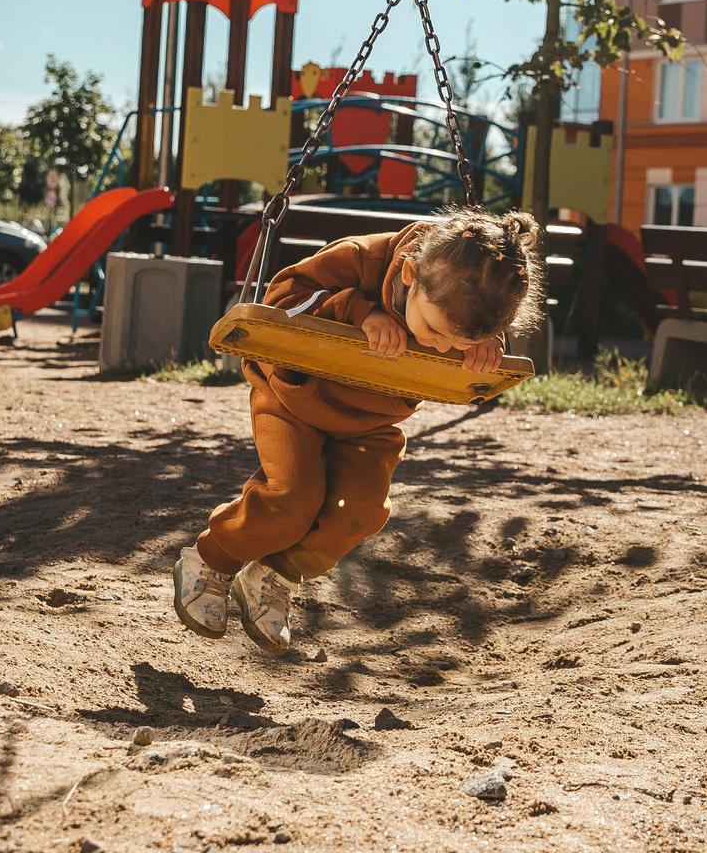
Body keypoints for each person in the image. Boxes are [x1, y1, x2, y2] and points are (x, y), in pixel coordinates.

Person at [173, 208, 542, 653]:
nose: (438, 347)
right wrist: (357, 313)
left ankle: (274, 575)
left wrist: (486, 349)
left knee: (363, 511)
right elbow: (283, 301)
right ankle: (212, 559)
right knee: (293, 502)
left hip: (372, 420)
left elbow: (461, 338)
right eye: (434, 331)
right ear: (409, 274)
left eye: (456, 344)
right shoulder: (361, 258)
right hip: (296, 399)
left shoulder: (457, 311)